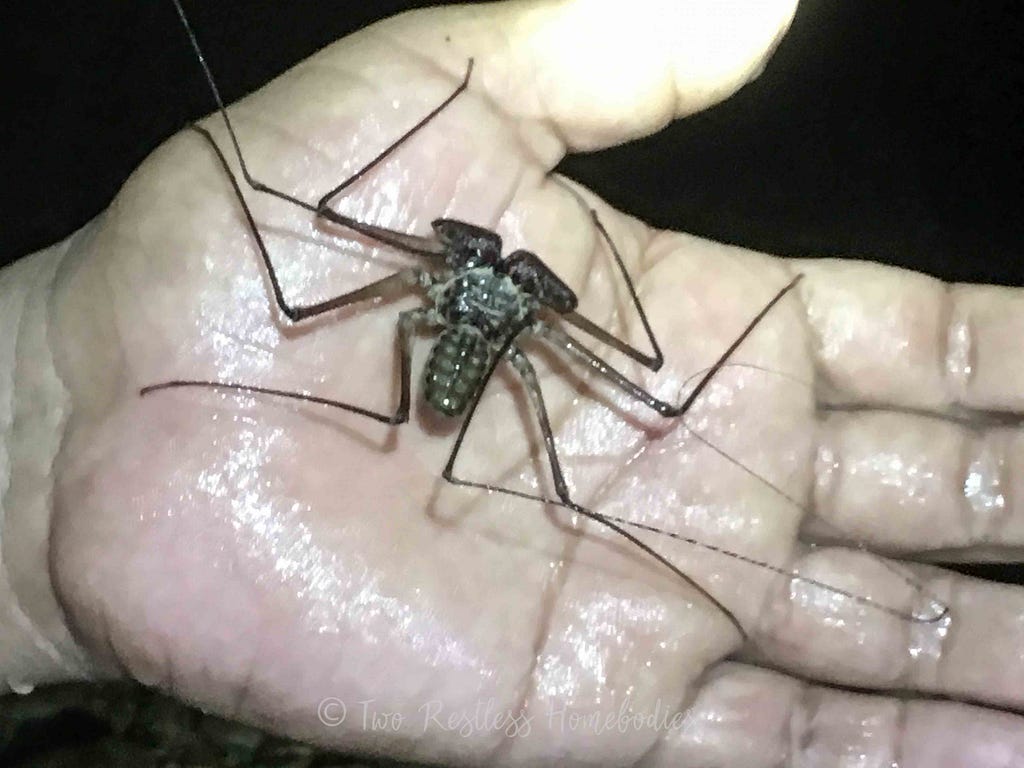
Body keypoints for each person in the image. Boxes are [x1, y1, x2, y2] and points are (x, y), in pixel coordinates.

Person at [2, 0, 1023, 764]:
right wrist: (49, 402)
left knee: (605, 431)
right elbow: (305, 215)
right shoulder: (503, 303)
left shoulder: (462, 290)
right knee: (309, 277)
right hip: (445, 360)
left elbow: (652, 377)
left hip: (450, 350)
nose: (498, 276)